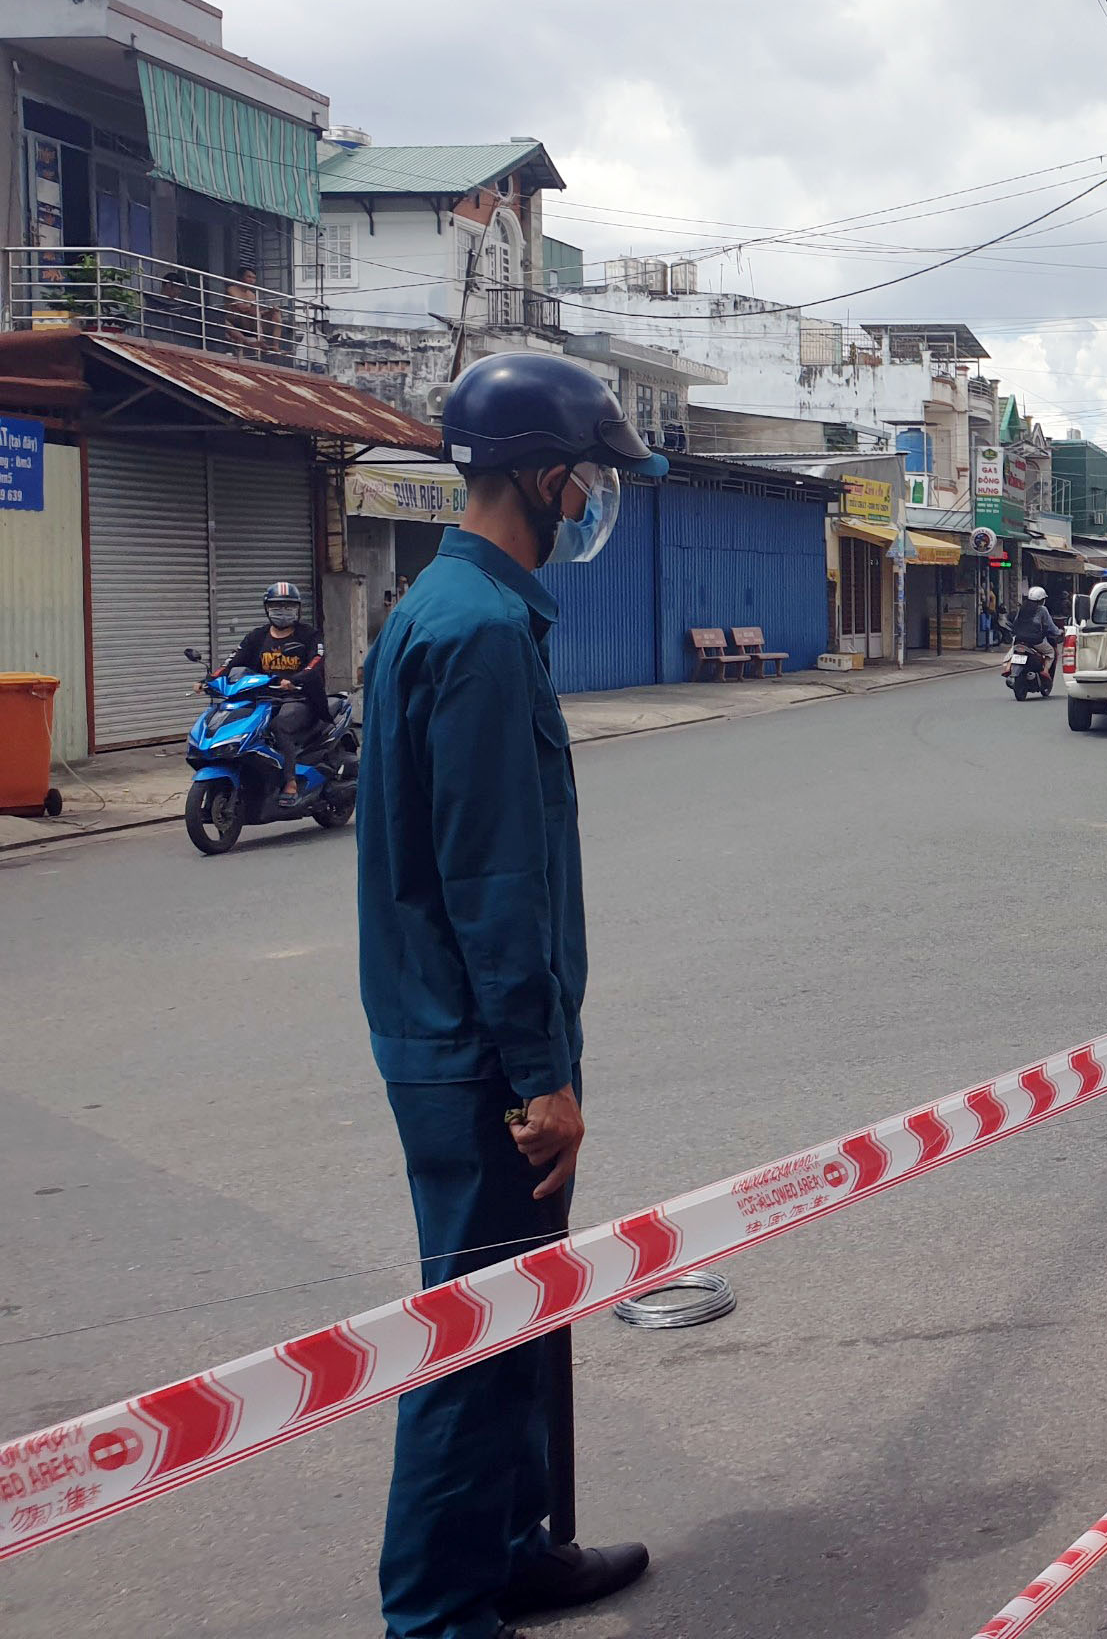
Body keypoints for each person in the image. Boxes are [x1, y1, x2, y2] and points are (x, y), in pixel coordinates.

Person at [357, 351, 662, 1639]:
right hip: (481, 1054)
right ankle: (438, 1612)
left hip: (459, 1034)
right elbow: (491, 880)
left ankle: (512, 1547)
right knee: (474, 1343)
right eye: (586, 476)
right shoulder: (478, 633)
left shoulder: (451, 606)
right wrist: (540, 1078)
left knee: (517, 1315)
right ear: (543, 476)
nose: (591, 499)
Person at [226, 579, 327, 807]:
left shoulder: (309, 635)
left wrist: (294, 680)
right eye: (276, 607)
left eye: (289, 607)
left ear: (298, 609)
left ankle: (290, 782)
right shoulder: (258, 636)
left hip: (301, 699)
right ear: (267, 609)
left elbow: (316, 662)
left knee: (279, 725)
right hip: (264, 698)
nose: (283, 612)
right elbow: (233, 660)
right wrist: (210, 679)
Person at [1010, 583, 1062, 683]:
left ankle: (1009, 669)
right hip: (1035, 641)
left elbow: (1016, 622)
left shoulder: (1023, 608)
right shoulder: (1042, 610)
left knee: (1011, 653)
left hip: (1019, 639)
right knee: (1050, 652)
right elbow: (1050, 626)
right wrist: (1058, 631)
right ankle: (1045, 671)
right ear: (1042, 600)